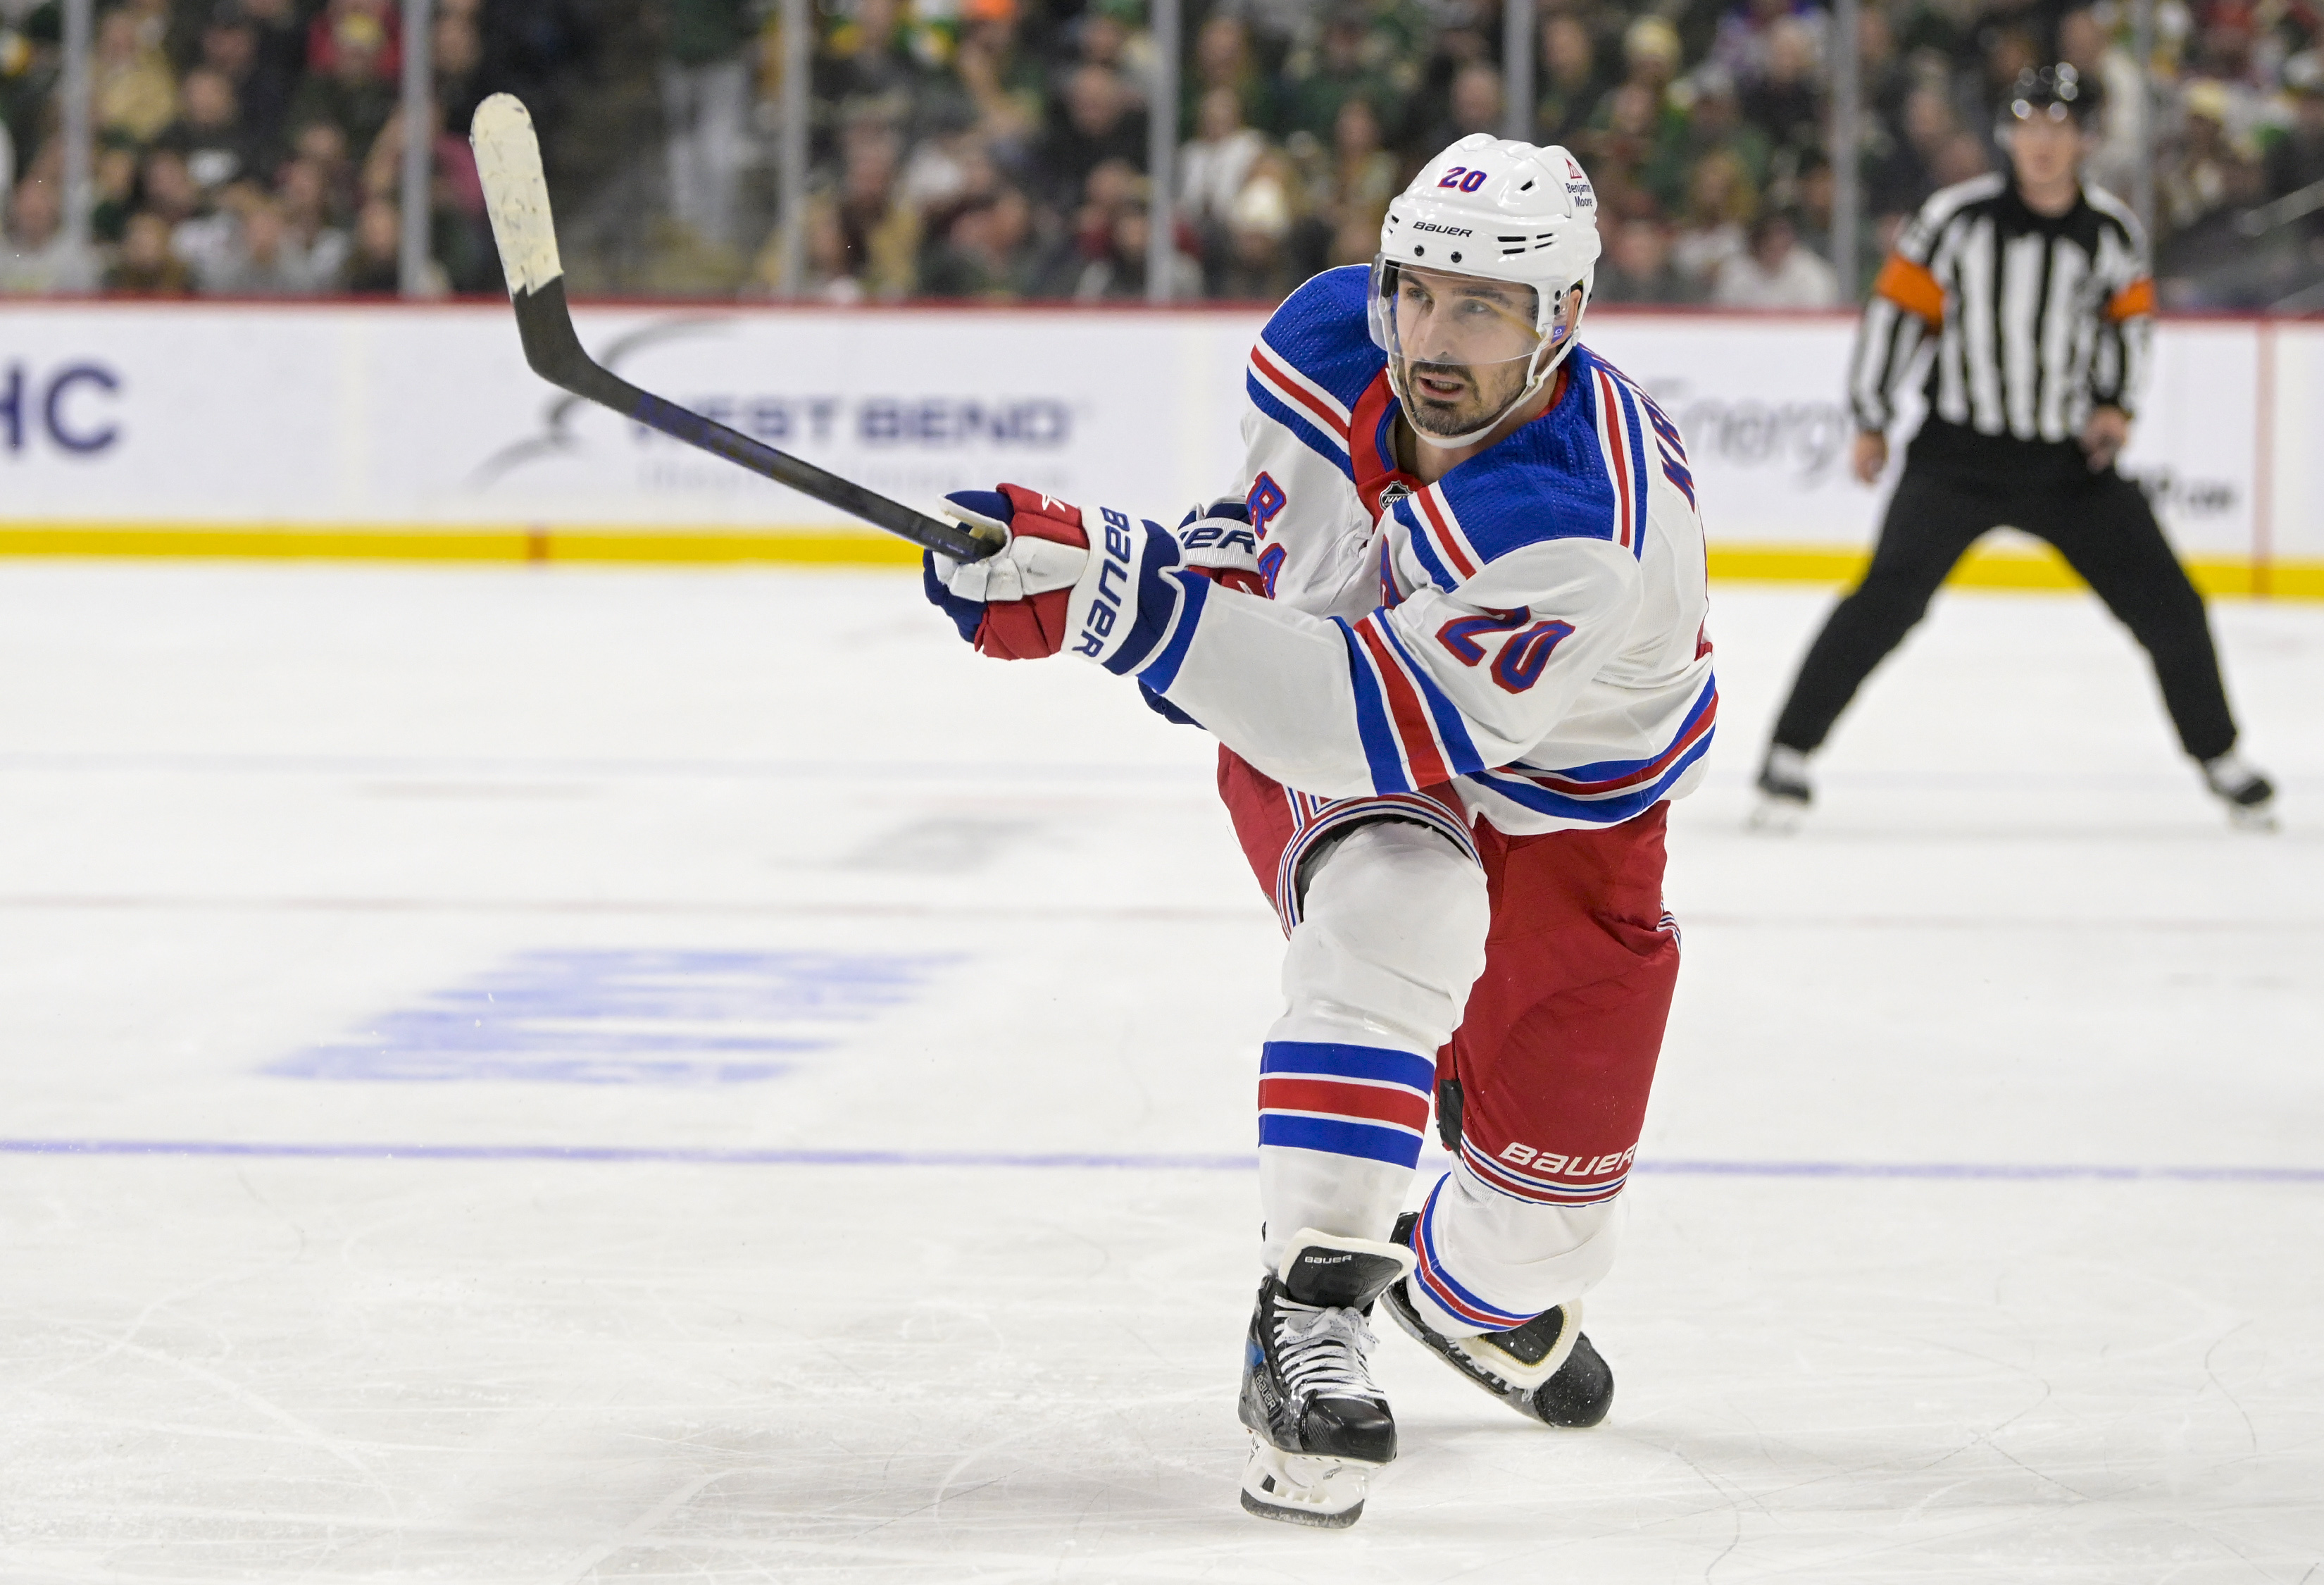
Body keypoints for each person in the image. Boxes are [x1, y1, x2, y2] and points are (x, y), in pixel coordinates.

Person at [923, 133, 1714, 1527]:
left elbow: (1362, 712)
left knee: (1542, 1241)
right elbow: (1274, 565)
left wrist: (1118, 607)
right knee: (1405, 892)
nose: (1432, 337)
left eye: (1483, 308)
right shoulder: (1316, 342)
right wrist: (1127, 562)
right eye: (1417, 291)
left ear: (1565, 322)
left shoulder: (1574, 523)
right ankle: (1311, 1317)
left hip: (1560, 817)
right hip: (1384, 766)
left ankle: (1471, 1303)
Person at [1754, 66, 2276, 831]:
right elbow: (1896, 318)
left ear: (2086, 139)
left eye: (2060, 126)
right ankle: (1788, 752)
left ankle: (2220, 755)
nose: (2043, 141)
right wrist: (1870, 418)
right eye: (2029, 123)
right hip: (1955, 458)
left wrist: (2115, 407)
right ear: (2007, 133)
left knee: (2171, 605)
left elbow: (2127, 328)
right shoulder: (1954, 220)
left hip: (2067, 465)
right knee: (1886, 601)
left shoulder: (2111, 231)